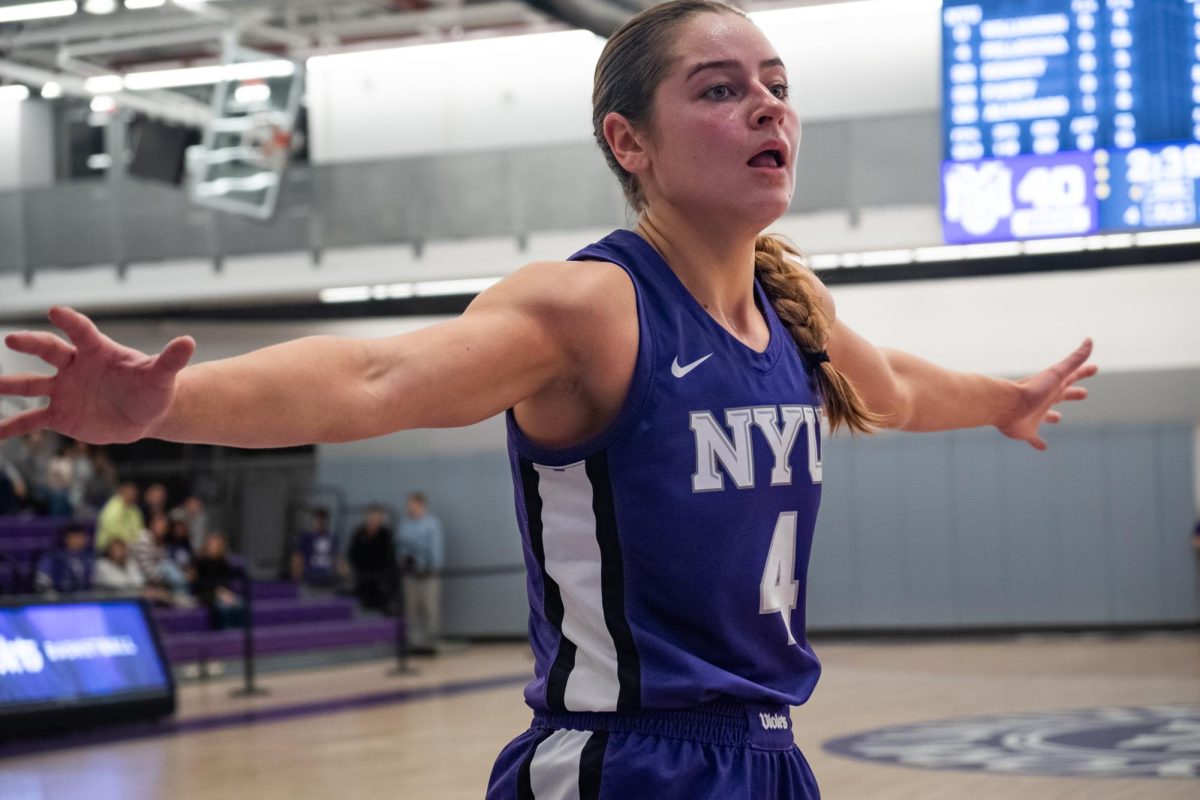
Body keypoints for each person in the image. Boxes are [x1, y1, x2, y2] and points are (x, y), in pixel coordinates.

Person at [0, 2, 1098, 795]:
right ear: (631, 142)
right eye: (719, 89)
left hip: (770, 753)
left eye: (775, 83)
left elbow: (896, 387)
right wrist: (165, 406)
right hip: (628, 759)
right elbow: (374, 377)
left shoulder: (787, 295)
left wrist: (1004, 398)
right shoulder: (594, 307)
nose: (766, 104)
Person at [396, 492, 445, 650]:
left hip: (428, 573)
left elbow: (436, 547)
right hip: (410, 573)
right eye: (409, 505)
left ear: (421, 505)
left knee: (429, 607)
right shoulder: (404, 525)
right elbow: (399, 545)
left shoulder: (431, 524)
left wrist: (434, 566)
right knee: (412, 607)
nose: (410, 508)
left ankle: (430, 641)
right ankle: (414, 641)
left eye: (413, 505)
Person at [347, 504, 397, 613]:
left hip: (379, 580)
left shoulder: (386, 535)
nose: (373, 520)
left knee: (380, 608)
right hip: (362, 578)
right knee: (361, 608)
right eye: (371, 517)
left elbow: (390, 558)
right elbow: (352, 553)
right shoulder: (359, 533)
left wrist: (385, 578)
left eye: (377, 518)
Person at [192, 532, 245, 630]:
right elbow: (200, 584)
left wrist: (228, 594)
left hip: (223, 593)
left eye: (216, 544)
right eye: (211, 544)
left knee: (241, 603)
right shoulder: (200, 562)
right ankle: (227, 632)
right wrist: (218, 592)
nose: (213, 547)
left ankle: (238, 631)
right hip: (207, 594)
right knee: (224, 608)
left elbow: (225, 581)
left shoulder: (223, 562)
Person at [289, 507, 345, 591]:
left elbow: (337, 558)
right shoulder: (306, 537)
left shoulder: (332, 538)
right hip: (309, 579)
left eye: (323, 520)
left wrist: (343, 574)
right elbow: (298, 557)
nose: (321, 522)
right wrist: (296, 575)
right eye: (318, 519)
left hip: (327, 579)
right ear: (314, 520)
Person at [33, 523, 94, 596]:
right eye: (76, 537)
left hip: (84, 603)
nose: (80, 541)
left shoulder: (88, 558)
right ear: (67, 538)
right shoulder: (52, 557)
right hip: (59, 603)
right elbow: (41, 583)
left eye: (82, 537)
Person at [95, 482, 145, 553]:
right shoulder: (113, 506)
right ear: (122, 491)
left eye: (134, 492)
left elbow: (140, 531)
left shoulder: (135, 510)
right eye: (129, 491)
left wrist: (134, 541)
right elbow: (113, 531)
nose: (132, 494)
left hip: (131, 546)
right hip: (108, 547)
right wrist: (130, 540)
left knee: (145, 539)